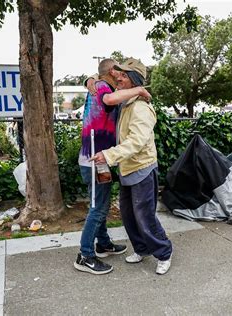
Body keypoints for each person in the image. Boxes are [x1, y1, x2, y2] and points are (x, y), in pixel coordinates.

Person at [92, 58, 173, 275]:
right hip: (127, 168)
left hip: (142, 169)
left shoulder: (141, 108)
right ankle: (141, 248)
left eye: (124, 75)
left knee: (145, 216)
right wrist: (89, 80)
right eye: (119, 74)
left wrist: (108, 155)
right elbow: (102, 85)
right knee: (128, 215)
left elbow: (136, 142)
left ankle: (164, 252)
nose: (118, 77)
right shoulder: (126, 102)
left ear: (135, 80)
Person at [74, 58, 151, 275]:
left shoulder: (98, 84)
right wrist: (140, 90)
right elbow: (109, 99)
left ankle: (103, 244)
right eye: (118, 69)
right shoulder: (101, 87)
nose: (120, 73)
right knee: (98, 208)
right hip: (95, 160)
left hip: (99, 158)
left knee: (101, 204)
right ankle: (85, 255)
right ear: (111, 70)